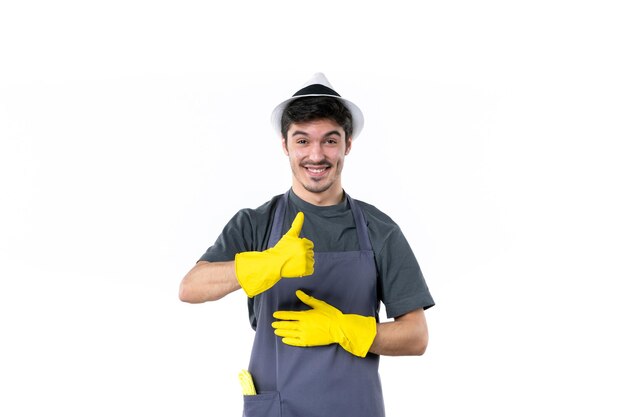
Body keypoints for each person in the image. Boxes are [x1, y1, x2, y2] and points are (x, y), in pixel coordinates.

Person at [179, 72, 435, 417]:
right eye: (302, 141)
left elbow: (416, 337)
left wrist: (343, 329)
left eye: (330, 140)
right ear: (285, 145)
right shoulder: (257, 224)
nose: (316, 155)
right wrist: (265, 264)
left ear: (347, 145)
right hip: (279, 409)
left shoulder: (379, 230)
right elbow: (191, 287)